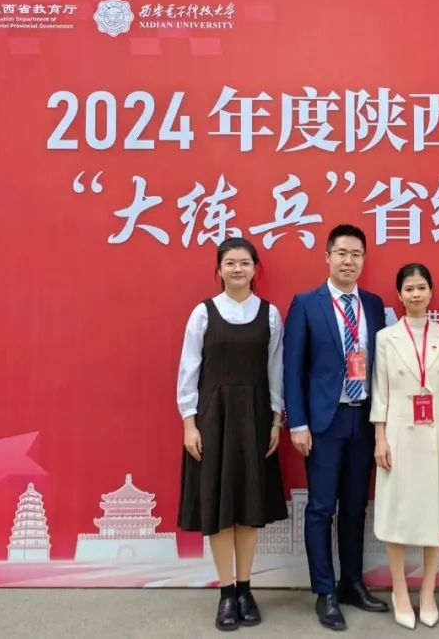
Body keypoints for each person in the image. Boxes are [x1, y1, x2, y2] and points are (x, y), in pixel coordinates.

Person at [177, 237, 288, 632]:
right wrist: (189, 422)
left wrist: (276, 420)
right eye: (230, 263)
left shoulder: (270, 315)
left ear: (256, 269)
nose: (238, 269)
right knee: (220, 508)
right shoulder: (203, 313)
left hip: (256, 417)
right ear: (219, 269)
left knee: (249, 506)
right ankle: (226, 593)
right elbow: (189, 368)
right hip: (214, 418)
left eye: (244, 262)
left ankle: (245, 588)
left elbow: (276, 369)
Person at [284, 224, 390, 631]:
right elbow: (293, 369)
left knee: (355, 507)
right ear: (327, 256)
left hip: (363, 418)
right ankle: (325, 591)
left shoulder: (375, 305)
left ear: (364, 260)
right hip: (324, 423)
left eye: (356, 254)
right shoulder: (306, 304)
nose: (349, 261)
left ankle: (352, 584)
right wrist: (299, 423)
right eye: (342, 253)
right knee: (321, 508)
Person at [372, 263, 439, 630]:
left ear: (431, 292)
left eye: (421, 288)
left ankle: (428, 592)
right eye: (409, 288)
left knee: (433, 514)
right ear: (399, 295)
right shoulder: (386, 338)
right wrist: (380, 437)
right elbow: (380, 393)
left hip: (436, 433)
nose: (416, 294)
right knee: (397, 514)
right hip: (398, 434)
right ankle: (400, 591)